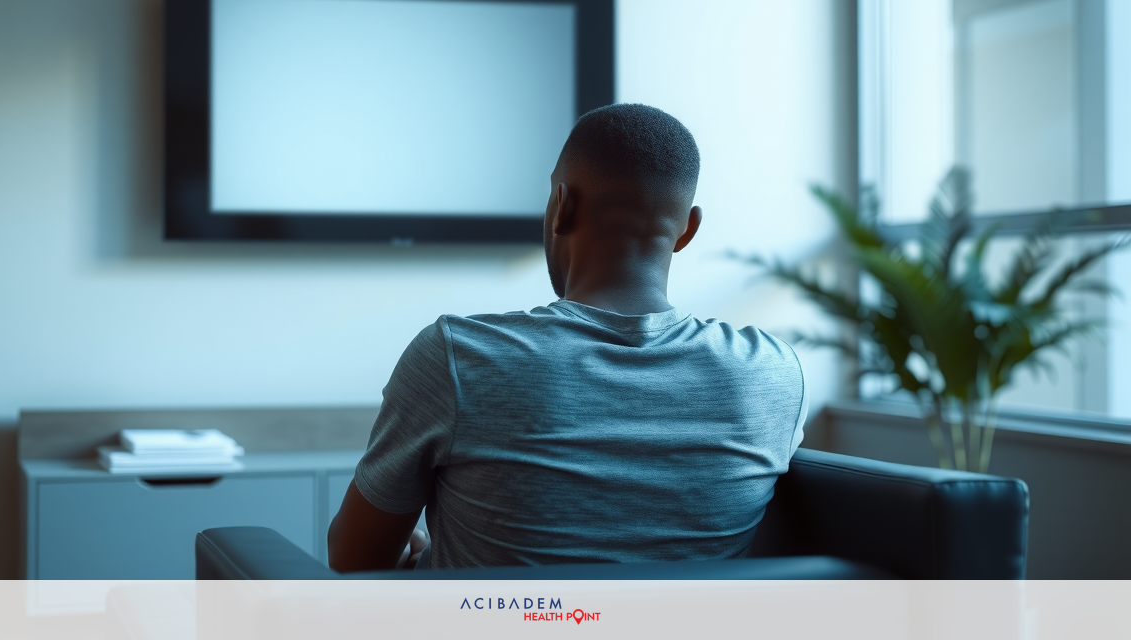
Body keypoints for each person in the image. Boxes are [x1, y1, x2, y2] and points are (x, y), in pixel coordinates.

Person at [326, 103, 807, 571]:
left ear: (561, 205)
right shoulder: (772, 372)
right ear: (688, 230)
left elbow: (354, 559)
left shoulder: (460, 357)